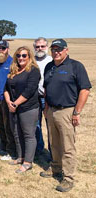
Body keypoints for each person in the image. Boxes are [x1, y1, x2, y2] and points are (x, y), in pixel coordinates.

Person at [40, 39, 91, 192]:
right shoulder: (49, 66)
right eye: (53, 49)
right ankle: (55, 168)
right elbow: (47, 87)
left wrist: (77, 112)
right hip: (51, 110)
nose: (56, 52)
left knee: (67, 146)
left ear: (66, 50)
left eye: (59, 49)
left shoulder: (75, 66)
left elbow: (85, 90)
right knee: (54, 143)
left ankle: (68, 178)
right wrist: (47, 106)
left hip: (67, 111)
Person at [4, 46, 40, 173]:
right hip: (13, 107)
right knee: (17, 133)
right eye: (18, 55)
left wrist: (15, 104)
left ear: (29, 57)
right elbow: (6, 89)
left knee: (28, 135)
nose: (21, 58)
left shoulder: (33, 71)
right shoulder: (14, 71)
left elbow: (29, 90)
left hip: (28, 108)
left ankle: (28, 162)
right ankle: (20, 157)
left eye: (24, 55)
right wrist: (9, 102)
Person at [0, 40, 16, 160]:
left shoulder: (13, 63)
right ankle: (3, 146)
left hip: (6, 100)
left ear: (7, 49)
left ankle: (11, 151)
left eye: (3, 48)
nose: (0, 50)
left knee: (8, 125)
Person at [33, 37, 52, 155]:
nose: (40, 49)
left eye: (42, 46)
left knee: (50, 125)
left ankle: (52, 152)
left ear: (47, 47)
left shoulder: (51, 60)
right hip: (34, 97)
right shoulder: (31, 60)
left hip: (48, 98)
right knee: (36, 124)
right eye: (37, 47)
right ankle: (38, 149)